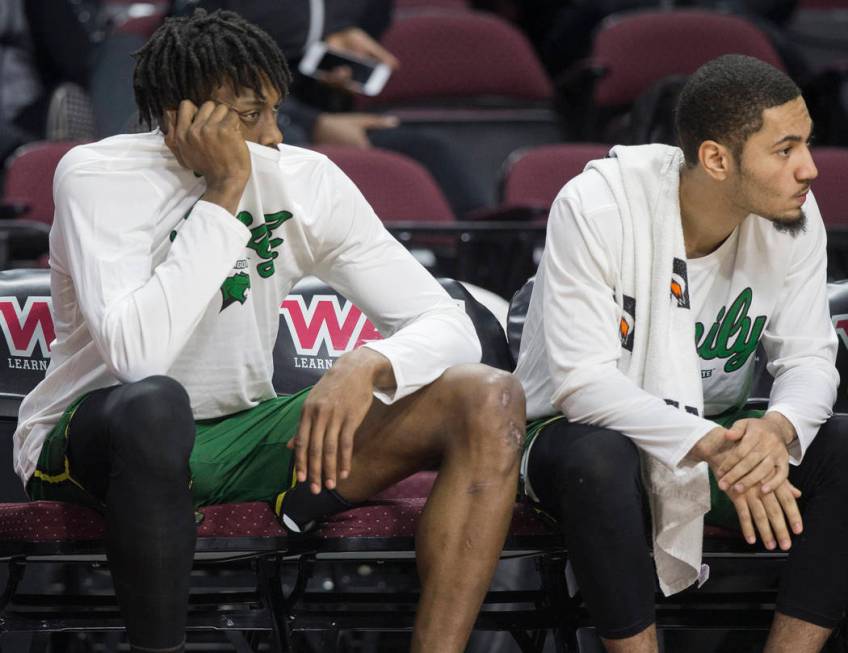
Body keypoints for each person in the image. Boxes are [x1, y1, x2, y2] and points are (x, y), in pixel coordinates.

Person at [13, 9, 525, 653]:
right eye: (252, 114)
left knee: (487, 396)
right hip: (97, 436)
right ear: (183, 115)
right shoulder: (97, 175)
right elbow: (138, 358)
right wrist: (224, 192)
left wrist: (369, 362)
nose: (278, 134)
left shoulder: (306, 181)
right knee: (156, 405)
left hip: (244, 429)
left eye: (276, 109)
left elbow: (450, 322)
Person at [514, 54, 848, 653]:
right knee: (599, 457)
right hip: (570, 432)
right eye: (785, 149)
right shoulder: (598, 205)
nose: (808, 169)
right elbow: (582, 384)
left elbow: (809, 359)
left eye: (809, 145)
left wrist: (774, 431)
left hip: (718, 436)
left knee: (846, 446)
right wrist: (713, 446)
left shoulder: (796, 217)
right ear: (718, 159)